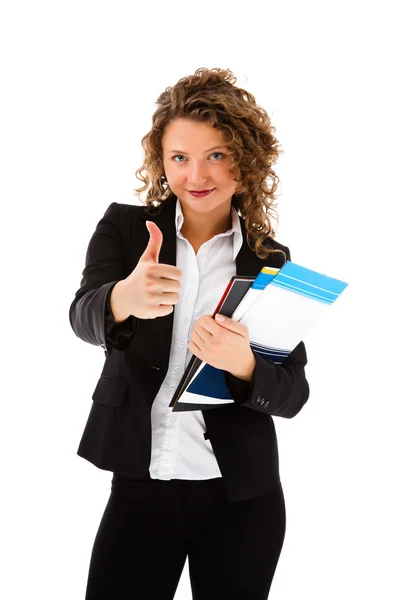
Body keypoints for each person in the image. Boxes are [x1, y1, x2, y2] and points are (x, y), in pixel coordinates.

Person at [69, 67, 310, 600]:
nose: (196, 173)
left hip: (243, 501)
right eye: (179, 157)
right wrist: (122, 299)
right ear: (162, 162)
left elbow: (293, 393)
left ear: (246, 165)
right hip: (141, 487)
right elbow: (82, 314)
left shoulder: (271, 262)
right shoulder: (127, 229)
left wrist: (243, 364)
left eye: (217, 155)